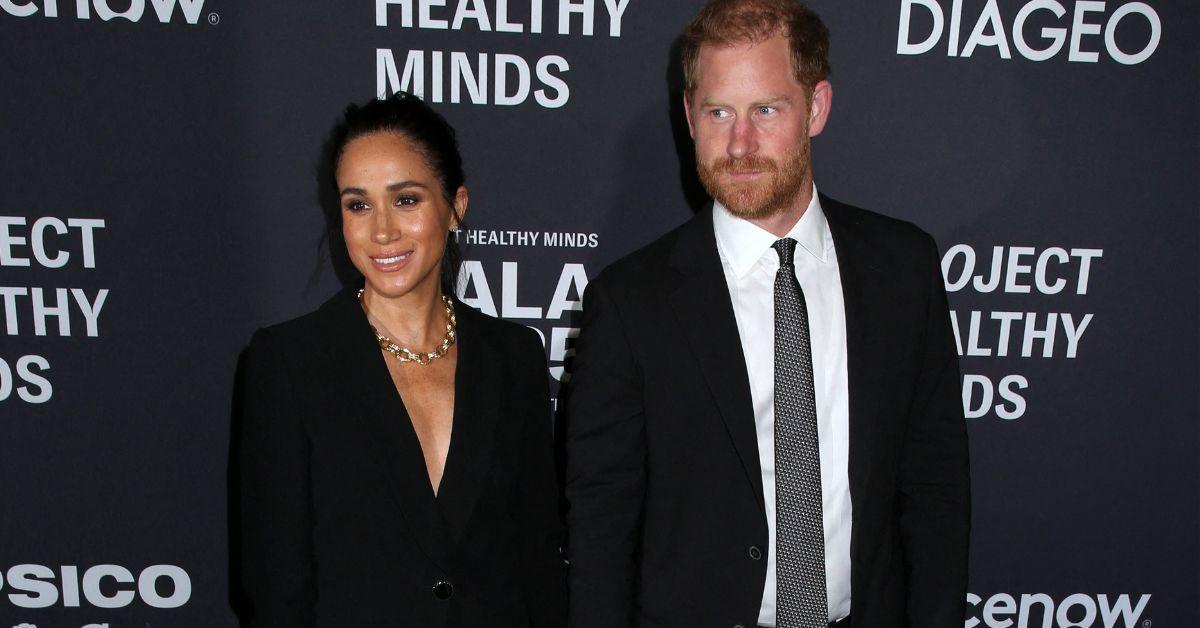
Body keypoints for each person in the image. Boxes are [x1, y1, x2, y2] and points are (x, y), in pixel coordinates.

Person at [564, 1, 970, 627]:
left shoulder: (903, 269)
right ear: (689, 116)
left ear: (817, 108)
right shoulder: (629, 302)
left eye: (767, 110)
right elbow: (600, 526)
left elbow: (936, 489)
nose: (740, 143)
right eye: (718, 111)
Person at [238, 92, 567, 627]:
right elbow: (277, 584)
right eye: (358, 204)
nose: (382, 231)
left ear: (456, 205)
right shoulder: (290, 363)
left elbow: (538, 556)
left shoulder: (514, 357)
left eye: (407, 199)